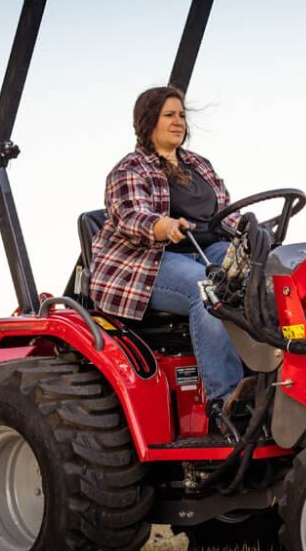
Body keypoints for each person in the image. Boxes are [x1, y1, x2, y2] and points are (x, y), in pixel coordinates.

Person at [90, 85, 244, 420]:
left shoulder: (199, 165)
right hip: (146, 263)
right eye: (169, 115)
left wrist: (249, 231)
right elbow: (130, 217)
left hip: (207, 250)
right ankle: (226, 401)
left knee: (261, 276)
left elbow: (226, 212)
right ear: (148, 122)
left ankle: (274, 378)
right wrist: (164, 225)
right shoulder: (129, 169)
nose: (178, 122)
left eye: (182, 116)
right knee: (207, 289)